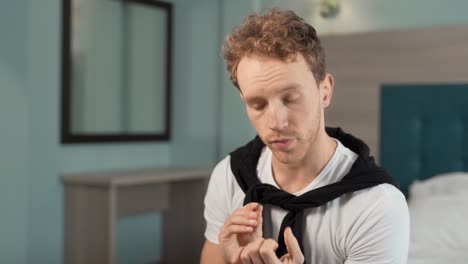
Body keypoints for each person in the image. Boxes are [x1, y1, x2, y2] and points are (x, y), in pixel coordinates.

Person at [200, 8, 409, 264]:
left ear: (324, 91)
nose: (276, 122)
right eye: (258, 105)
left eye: (291, 98)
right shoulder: (229, 176)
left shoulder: (377, 206)